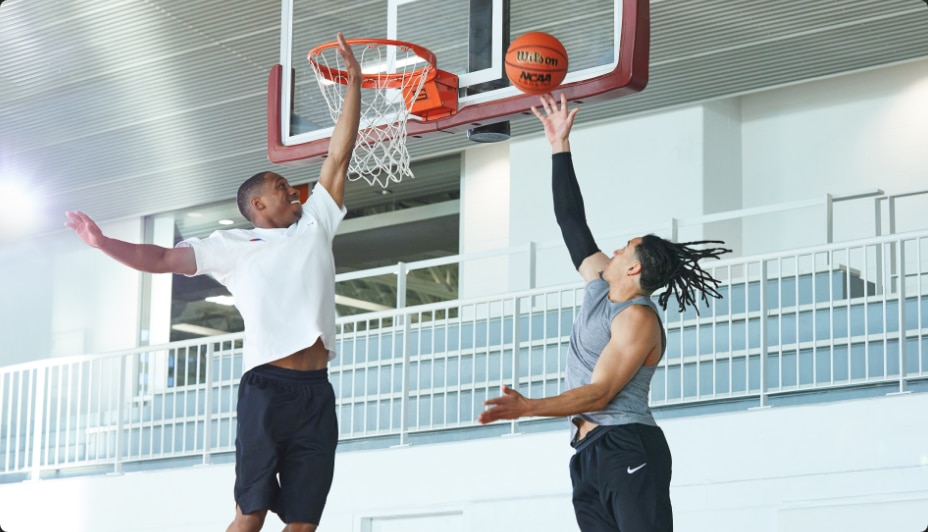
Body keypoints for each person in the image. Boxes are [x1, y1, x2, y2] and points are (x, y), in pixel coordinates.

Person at [64, 32, 361, 532]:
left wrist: (354, 82)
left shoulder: (317, 220)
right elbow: (160, 257)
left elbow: (340, 151)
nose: (294, 191)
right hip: (267, 388)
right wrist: (103, 243)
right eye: (281, 188)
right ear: (258, 206)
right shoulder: (230, 247)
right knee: (252, 514)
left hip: (316, 391)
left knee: (304, 524)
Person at [478, 93, 732, 532]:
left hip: (626, 444)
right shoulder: (601, 284)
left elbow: (599, 395)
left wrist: (528, 407)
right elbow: (571, 222)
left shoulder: (638, 318)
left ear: (633, 267)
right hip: (587, 452)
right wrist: (559, 146)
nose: (613, 249)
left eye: (624, 247)